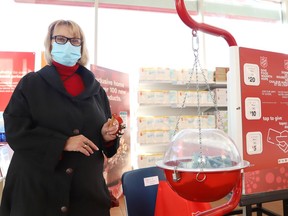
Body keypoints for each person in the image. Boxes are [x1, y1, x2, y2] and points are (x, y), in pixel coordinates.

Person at [0, 19, 123, 216]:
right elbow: (15, 131)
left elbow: (103, 137)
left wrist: (107, 136)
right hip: (38, 194)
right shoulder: (31, 85)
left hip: (85, 197)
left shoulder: (96, 89)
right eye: (61, 38)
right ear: (50, 44)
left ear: (82, 47)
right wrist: (62, 143)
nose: (68, 45)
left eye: (75, 41)